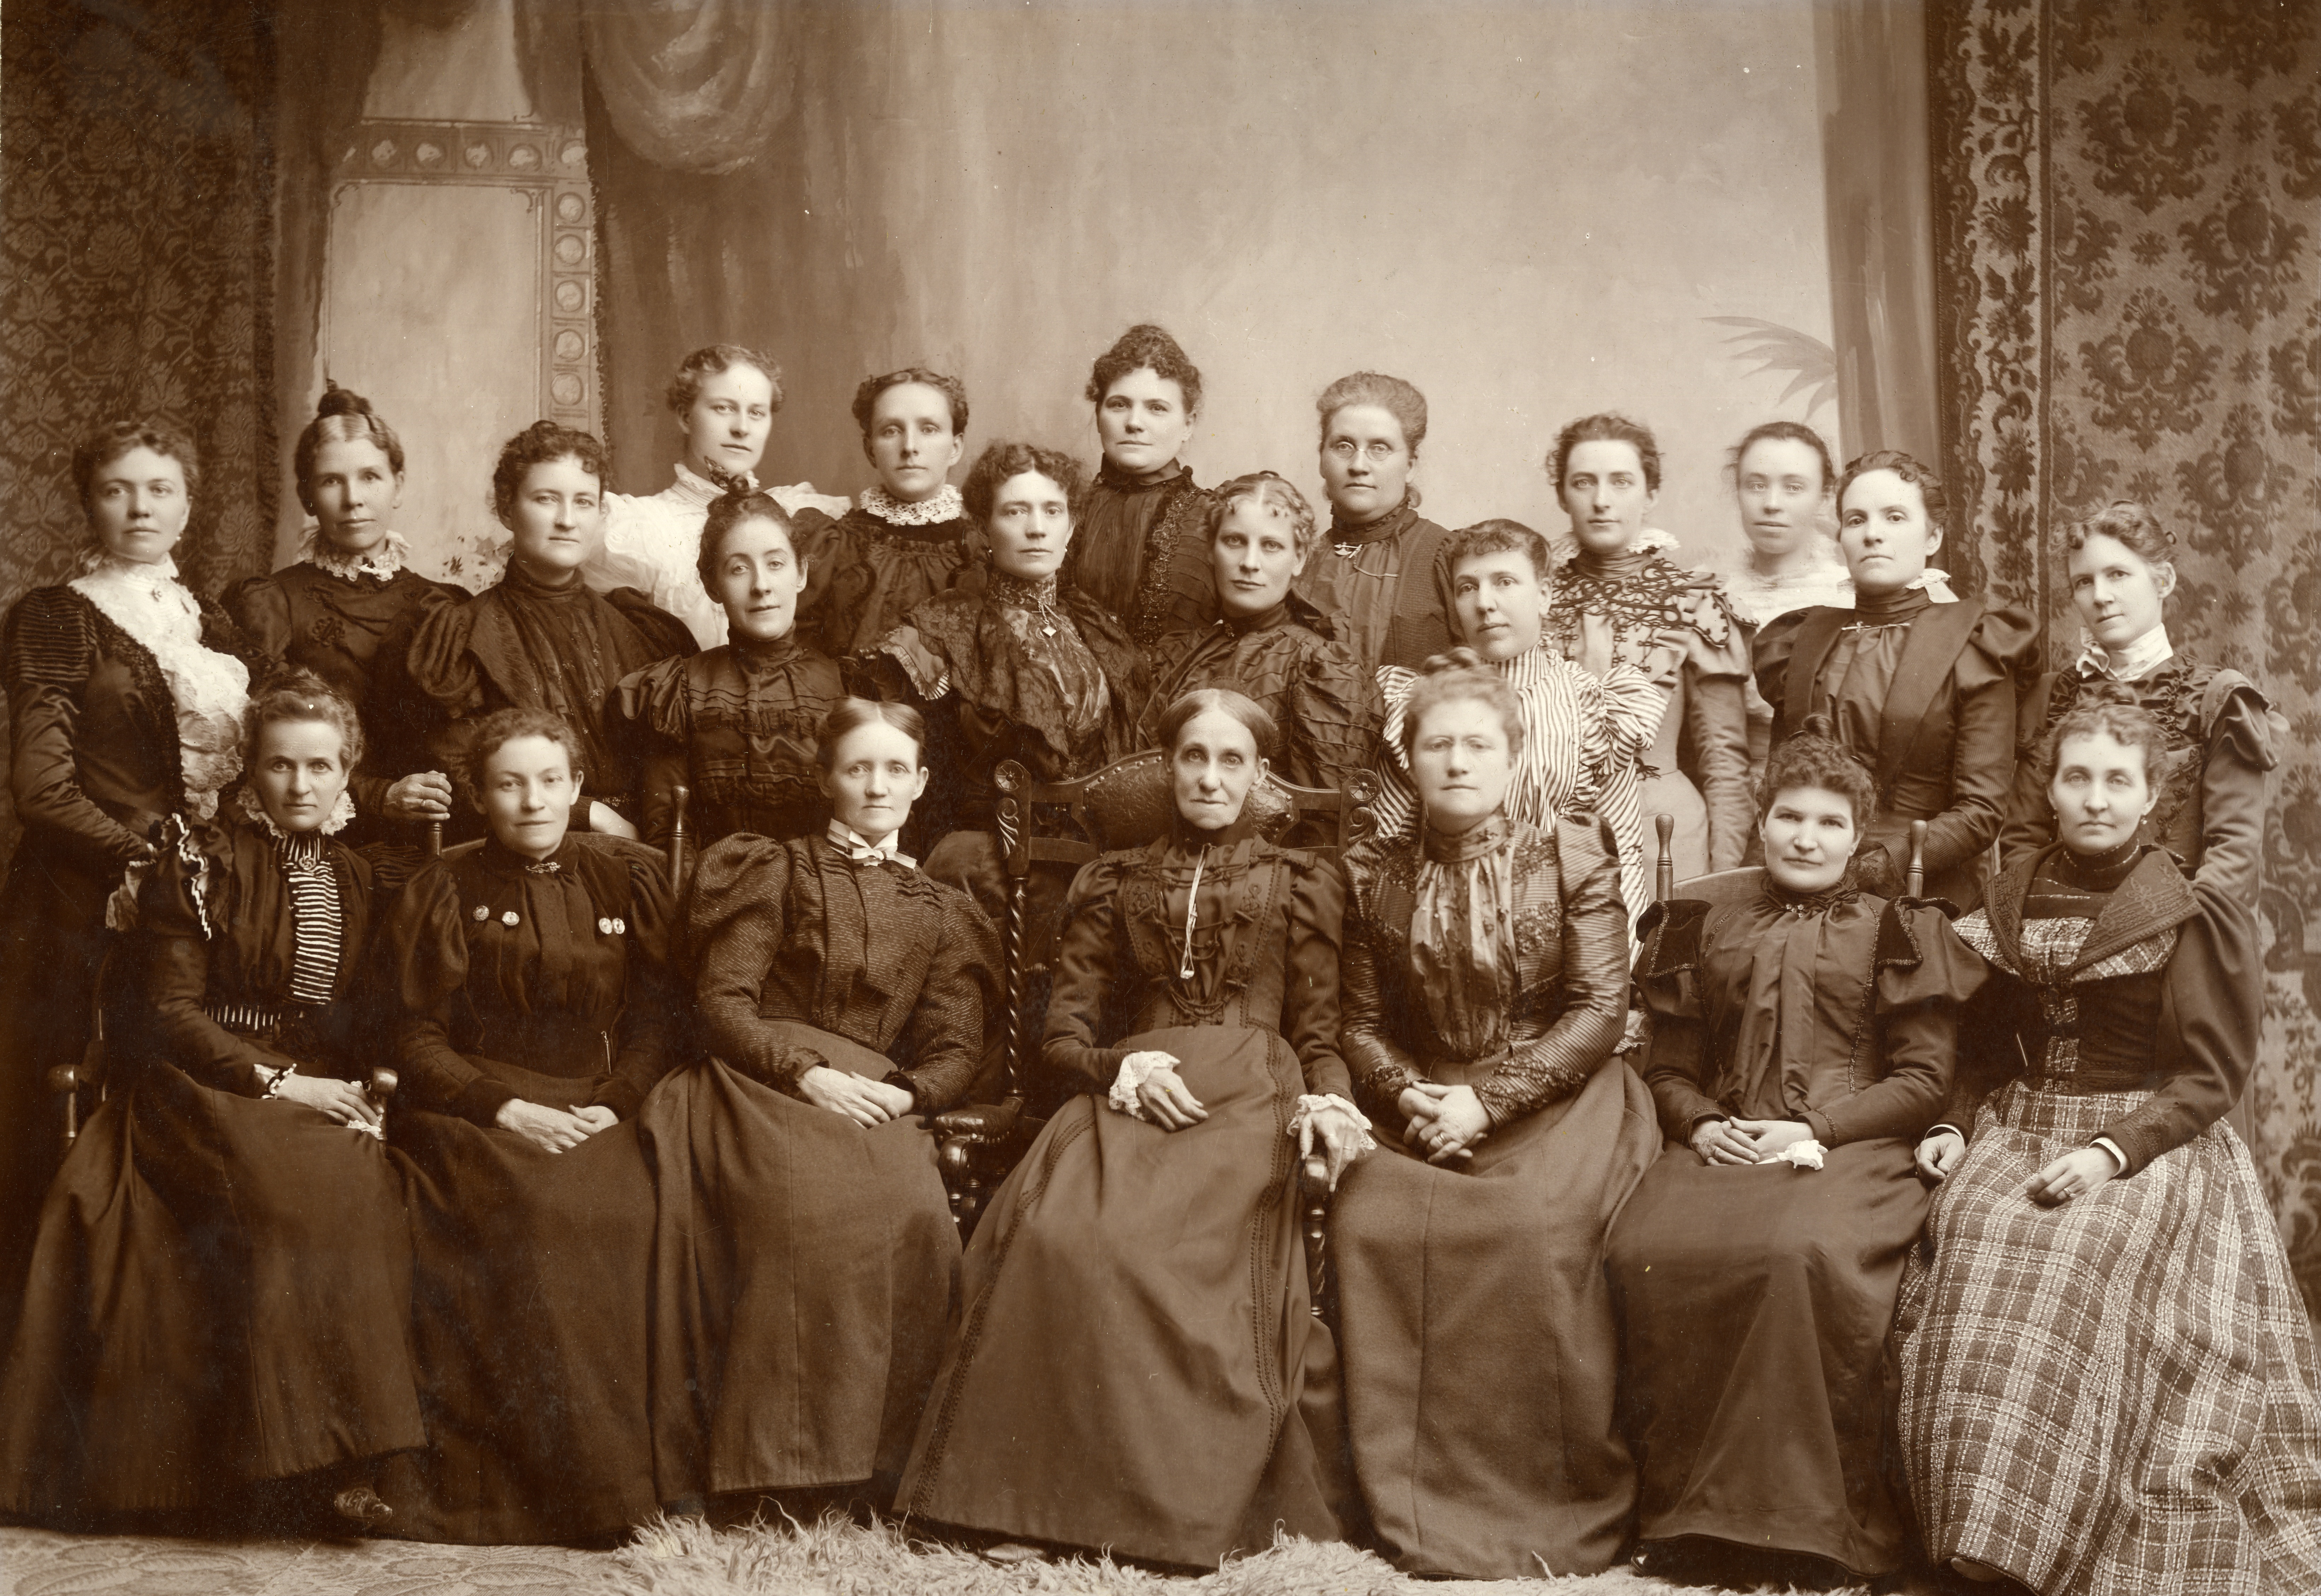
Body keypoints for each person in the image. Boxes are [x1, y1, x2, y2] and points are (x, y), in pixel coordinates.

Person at [898, 690, 1372, 1567]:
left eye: (1232, 761)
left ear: (1259, 775)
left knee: (1182, 1257)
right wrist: (1119, 1068)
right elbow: (1063, 1037)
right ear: (1168, 767)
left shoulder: (1298, 880)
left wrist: (1329, 1100)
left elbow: (1318, 1029)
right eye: (1195, 757)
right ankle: (1038, 1504)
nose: (1210, 777)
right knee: (1060, 1234)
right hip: (1136, 1087)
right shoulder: (1114, 879)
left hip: (1251, 1093)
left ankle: (1174, 1512)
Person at [1897, 688, 2321, 1595]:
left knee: (2075, 1257)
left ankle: (2042, 1538)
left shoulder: (2186, 902)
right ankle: (1973, 1534)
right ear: (2050, 790)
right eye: (2077, 777)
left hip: (2149, 1140)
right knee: (1972, 1240)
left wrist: (2110, 1151)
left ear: (2150, 795)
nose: (2095, 797)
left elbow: (2209, 1079)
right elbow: (1978, 1047)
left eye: (2116, 781)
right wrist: (1951, 1122)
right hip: (2018, 1124)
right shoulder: (2010, 889)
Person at [0, 671, 422, 1526]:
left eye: (320, 766)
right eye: (279, 766)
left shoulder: (351, 872)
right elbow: (169, 1014)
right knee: (285, 1193)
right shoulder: (199, 858)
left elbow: (355, 1018)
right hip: (193, 1084)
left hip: (310, 1087)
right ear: (249, 771)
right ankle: (288, 1464)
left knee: (369, 1182)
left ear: (348, 774)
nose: (300, 786)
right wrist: (282, 1082)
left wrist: (355, 1088)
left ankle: (351, 1461)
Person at [1605, 717, 1986, 1584]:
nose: (1804, 838)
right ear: (1761, 824)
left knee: (1793, 1251)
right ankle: (1682, 1516)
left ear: (1858, 839)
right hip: (1728, 1141)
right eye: (1788, 817)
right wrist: (1701, 1123)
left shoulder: (1899, 927)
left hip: (1853, 1147)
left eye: (1827, 823)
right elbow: (1669, 1065)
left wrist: (1816, 1130)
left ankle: (1800, 1525)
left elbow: (1925, 1080)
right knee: (1644, 1247)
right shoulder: (1703, 918)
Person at [1329, 652, 1658, 1579]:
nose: (1459, 762)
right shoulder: (1374, 871)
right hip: (1426, 1094)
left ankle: (1542, 1506)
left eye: (1480, 744)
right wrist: (1411, 1094)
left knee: (1530, 1227)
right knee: (1371, 1221)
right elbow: (1357, 1021)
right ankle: (1404, 1501)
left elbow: (1599, 1008)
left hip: (1560, 1091)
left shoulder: (1572, 848)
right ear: (1412, 760)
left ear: (1516, 757)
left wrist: (1490, 1097)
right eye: (1439, 744)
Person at [640, 698, 997, 1515]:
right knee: (798, 1209)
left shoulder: (938, 907)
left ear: (921, 784)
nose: (877, 785)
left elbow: (954, 1048)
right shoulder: (778, 868)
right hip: (756, 1081)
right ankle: (770, 1467)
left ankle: (871, 1471)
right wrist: (804, 1072)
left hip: (872, 1094)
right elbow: (723, 1002)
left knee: (907, 1207)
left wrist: (904, 1093)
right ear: (827, 777)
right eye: (858, 768)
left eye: (895, 769)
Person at [373, 708, 683, 1543]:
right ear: (478, 795)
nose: (532, 800)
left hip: (595, 1101)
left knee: (628, 1210)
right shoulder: (444, 883)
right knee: (536, 1213)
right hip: (473, 1107)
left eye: (550, 781)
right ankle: (521, 1489)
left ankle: (619, 1487)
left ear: (578, 788)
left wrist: (613, 1102)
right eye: (509, 784)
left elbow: (657, 1020)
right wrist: (502, 1107)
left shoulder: (627, 877)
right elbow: (414, 1035)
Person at [0, 419, 254, 1321]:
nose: (140, 507)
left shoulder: (214, 619)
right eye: (117, 489)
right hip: (78, 907)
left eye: (160, 488)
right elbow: (40, 790)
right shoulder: (57, 617)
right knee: (63, 1121)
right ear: (89, 502)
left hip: (195, 903)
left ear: (188, 504)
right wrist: (145, 856)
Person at [853, 440, 1147, 927]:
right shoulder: (940, 630)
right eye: (1015, 511)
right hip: (990, 868)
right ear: (983, 528)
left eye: (1052, 511)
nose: (1037, 528)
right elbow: (918, 780)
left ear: (1071, 527)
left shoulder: (1102, 631)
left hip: (1100, 861)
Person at [1755, 450, 2034, 909]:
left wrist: (1877, 865)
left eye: (1895, 517)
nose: (1874, 534)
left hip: (1921, 885)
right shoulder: (1802, 639)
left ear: (1933, 536)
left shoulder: (1974, 641)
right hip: (1801, 875)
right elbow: (1779, 786)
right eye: (1856, 520)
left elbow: (1981, 811)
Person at [403, 421, 696, 844]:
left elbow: (669, 770)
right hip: (519, 852)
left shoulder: (641, 629)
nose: (566, 520)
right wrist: (587, 812)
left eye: (583, 502)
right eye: (546, 500)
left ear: (601, 513)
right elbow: (463, 774)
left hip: (638, 854)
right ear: (507, 509)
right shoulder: (465, 635)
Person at [1373, 519, 1672, 923]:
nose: (1484, 603)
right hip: (1445, 928)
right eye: (1467, 587)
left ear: (1545, 595)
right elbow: (1389, 846)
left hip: (1562, 932)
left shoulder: (1592, 705)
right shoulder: (1425, 703)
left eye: (1505, 582)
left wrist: (1621, 967)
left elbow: (1620, 851)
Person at [1997, 500, 2275, 905]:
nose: (2101, 596)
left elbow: (2233, 849)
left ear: (2162, 580)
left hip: (2182, 922)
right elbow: (2022, 839)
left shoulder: (2217, 697)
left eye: (2118, 575)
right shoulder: (2050, 696)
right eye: (2083, 582)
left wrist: (2168, 926)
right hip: (2062, 918)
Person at [225, 385, 467, 846]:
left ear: (399, 484)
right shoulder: (270, 602)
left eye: (371, 477)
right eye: (332, 480)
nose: (353, 498)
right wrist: (379, 795)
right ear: (307, 495)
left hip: (434, 834)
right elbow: (259, 750)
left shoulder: (445, 603)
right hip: (312, 835)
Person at [1542, 412, 1752, 886]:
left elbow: (1723, 759)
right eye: (1583, 483)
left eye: (1621, 482)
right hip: (1554, 829)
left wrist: (1725, 880)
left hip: (1666, 837)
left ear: (1651, 494)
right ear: (1562, 495)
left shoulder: (1693, 600)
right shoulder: (1535, 601)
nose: (1601, 501)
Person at [613, 486, 844, 852]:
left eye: (776, 564)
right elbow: (670, 840)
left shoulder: (844, 684)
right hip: (717, 896)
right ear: (712, 585)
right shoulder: (680, 690)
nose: (762, 586)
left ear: (801, 573)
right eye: (738, 569)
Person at [1136, 470, 1382, 793]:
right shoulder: (1177, 652)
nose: (1250, 563)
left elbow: (1324, 816)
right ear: (1211, 550)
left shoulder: (1319, 666)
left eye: (1271, 546)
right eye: (1235, 541)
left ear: (1299, 558)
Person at [590, 343, 846, 649]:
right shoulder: (638, 527)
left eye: (757, 413)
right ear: (686, 417)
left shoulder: (802, 516)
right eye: (723, 408)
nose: (742, 428)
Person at [787, 366, 981, 658]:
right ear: (870, 450)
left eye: (928, 429)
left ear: (955, 447)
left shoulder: (980, 552)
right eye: (891, 431)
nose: (910, 447)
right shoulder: (831, 546)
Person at [1715, 422, 1854, 789]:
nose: (1771, 504)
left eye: (1793, 487)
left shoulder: (1850, 597)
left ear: (1826, 497)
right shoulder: (1709, 595)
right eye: (1756, 485)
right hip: (1730, 793)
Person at [1062, 323, 1216, 646]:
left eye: (1157, 408)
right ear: (1099, 412)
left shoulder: (1215, 520)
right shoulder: (1064, 509)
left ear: (1188, 425)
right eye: (1119, 405)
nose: (1134, 423)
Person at [1292, 371, 1455, 673]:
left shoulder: (1446, 555)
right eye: (1343, 446)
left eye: (1380, 449)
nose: (1358, 466)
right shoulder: (1298, 559)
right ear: (1321, 459)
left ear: (1410, 466)